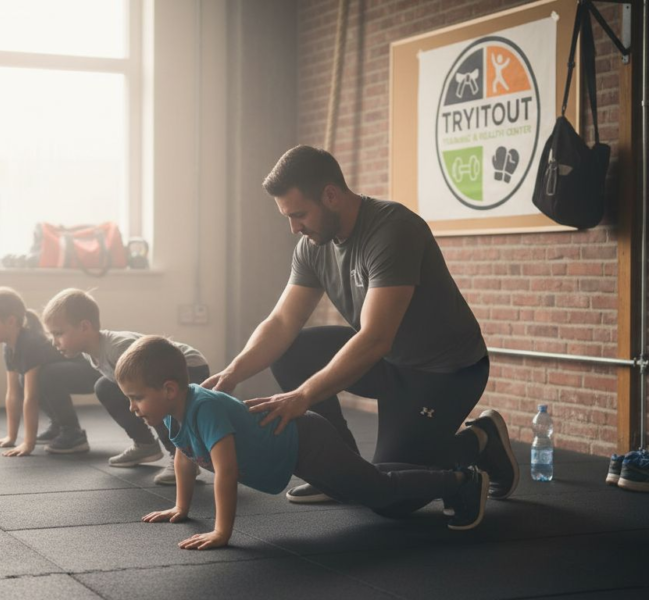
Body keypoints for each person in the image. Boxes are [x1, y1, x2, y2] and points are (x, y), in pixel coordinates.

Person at [202, 145, 518, 509]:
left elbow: (375, 338)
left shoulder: (393, 229)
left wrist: (303, 396)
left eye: (299, 214)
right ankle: (339, 470)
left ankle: (481, 440)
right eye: (288, 217)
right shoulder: (313, 244)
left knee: (391, 500)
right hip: (391, 363)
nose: (294, 228)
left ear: (331, 195)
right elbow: (282, 321)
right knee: (292, 352)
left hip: (444, 372)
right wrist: (232, 373)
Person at [118, 336, 490, 551]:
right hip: (295, 454)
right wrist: (181, 508)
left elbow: (226, 471)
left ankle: (460, 481)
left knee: (380, 491)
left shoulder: (205, 408)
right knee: (368, 480)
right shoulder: (172, 413)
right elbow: (185, 458)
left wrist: (222, 532)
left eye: (136, 398)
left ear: (169, 389)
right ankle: (451, 473)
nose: (132, 408)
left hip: (307, 442)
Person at [42, 288, 210, 485]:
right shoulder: (90, 351)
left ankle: (181, 458)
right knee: (105, 387)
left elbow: (153, 389)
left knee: (150, 400)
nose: (54, 342)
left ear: (84, 327)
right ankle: (145, 445)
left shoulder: (118, 348)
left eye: (58, 333)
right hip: (159, 372)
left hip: (189, 366)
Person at [0, 287, 99, 457]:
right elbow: (13, 394)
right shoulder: (9, 347)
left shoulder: (30, 343)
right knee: (24, 381)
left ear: (11, 321)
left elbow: (30, 398)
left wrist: (28, 443)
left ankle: (73, 433)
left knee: (43, 377)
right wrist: (11, 437)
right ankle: (58, 426)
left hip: (90, 373)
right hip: (63, 374)